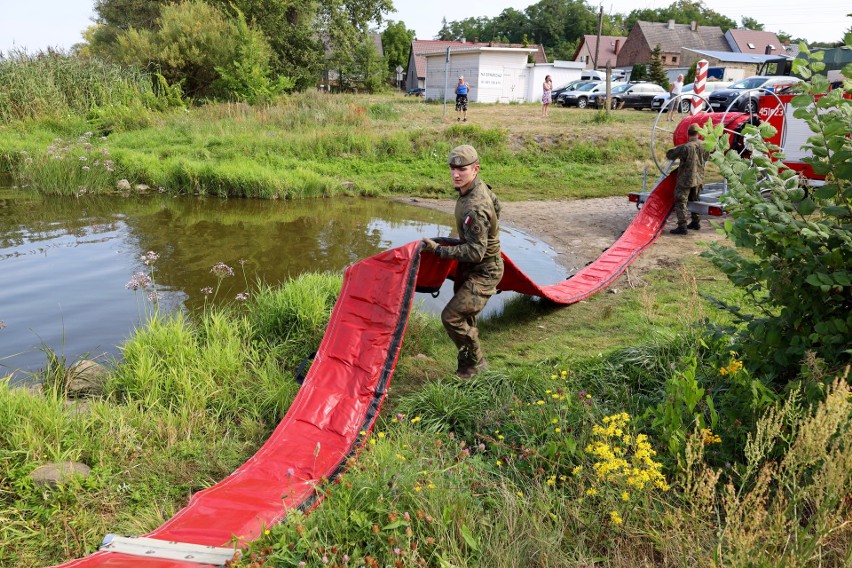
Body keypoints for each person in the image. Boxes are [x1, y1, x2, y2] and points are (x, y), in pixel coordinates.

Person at [421, 145, 503, 379]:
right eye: (453, 168)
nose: (456, 174)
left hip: (484, 272)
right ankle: (466, 369)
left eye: (462, 169)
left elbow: (476, 252)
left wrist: (438, 251)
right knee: (464, 317)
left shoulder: (475, 207)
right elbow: (497, 206)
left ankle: (478, 364)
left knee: (451, 317)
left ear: (475, 169)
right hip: (472, 269)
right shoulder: (475, 188)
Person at [666, 123, 710, 234]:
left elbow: (670, 154)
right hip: (699, 178)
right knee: (695, 199)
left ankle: (682, 226)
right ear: (698, 133)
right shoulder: (704, 145)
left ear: (688, 134)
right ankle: (696, 222)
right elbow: (708, 156)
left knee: (681, 200)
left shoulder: (686, 147)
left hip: (685, 180)